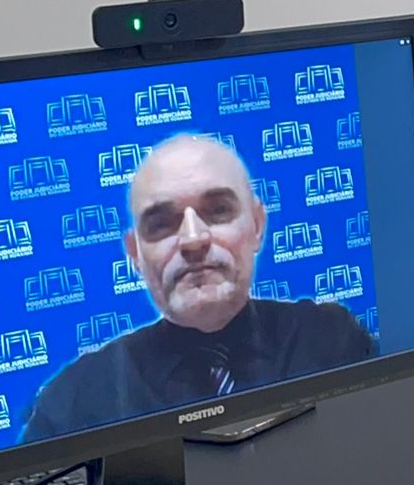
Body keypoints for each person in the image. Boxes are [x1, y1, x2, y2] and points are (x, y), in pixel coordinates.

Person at [21, 134, 373, 441]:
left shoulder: (334, 341)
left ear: (257, 226)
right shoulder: (70, 406)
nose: (193, 239)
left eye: (218, 210)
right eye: (161, 223)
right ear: (135, 255)